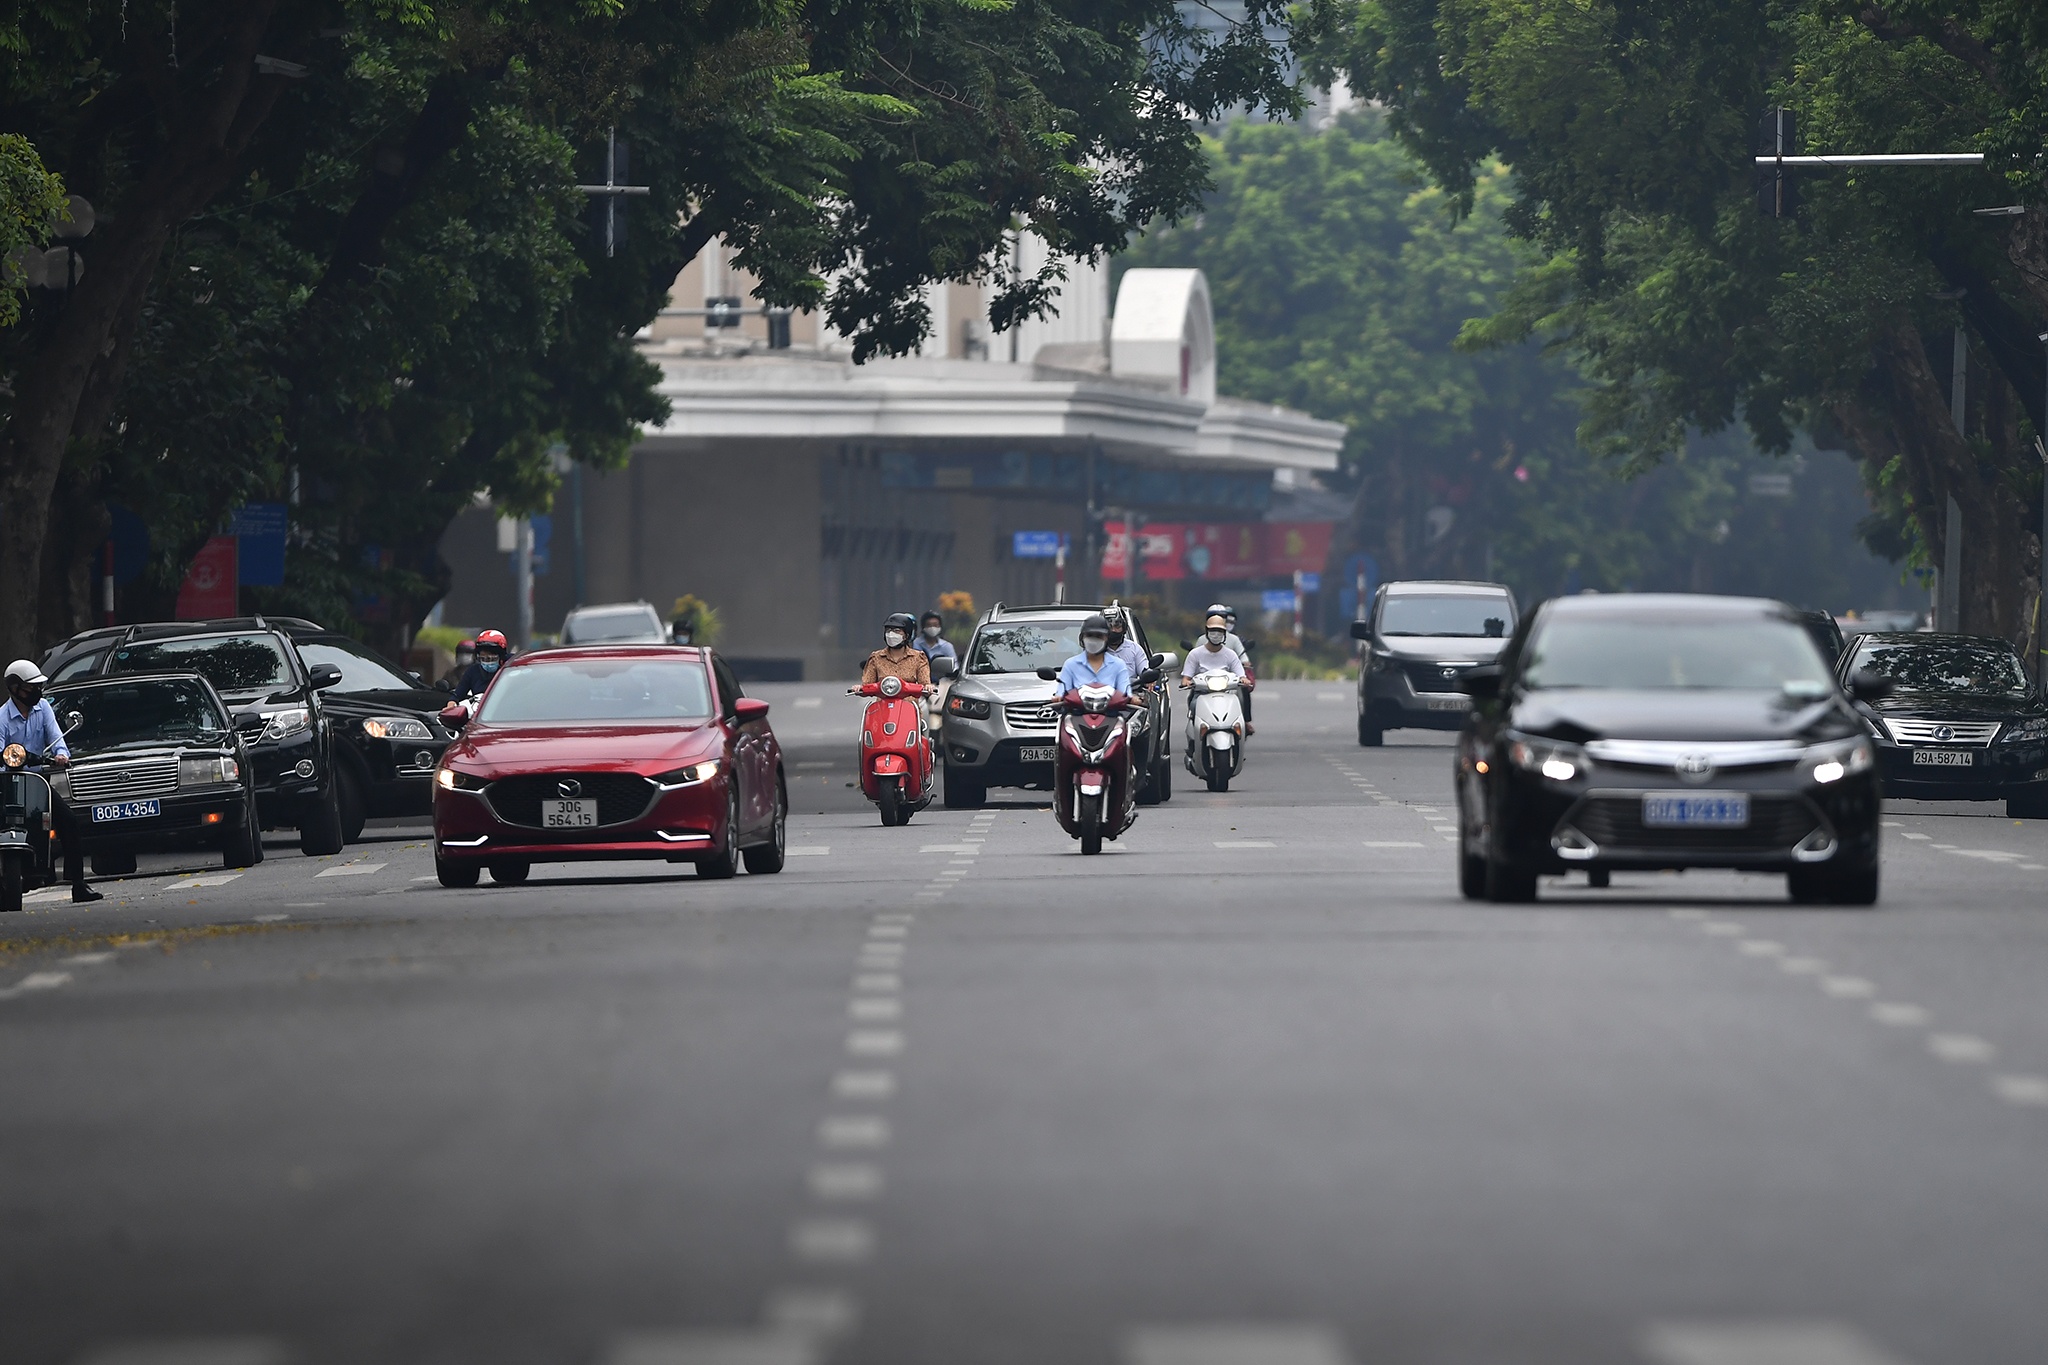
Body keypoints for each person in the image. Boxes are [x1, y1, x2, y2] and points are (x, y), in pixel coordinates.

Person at [2, 660, 100, 903]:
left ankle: (78, 884)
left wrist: (62, 755)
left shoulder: (43, 708)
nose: (36, 693)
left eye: (38, 688)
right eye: (29, 688)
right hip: (7, 786)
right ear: (14, 689)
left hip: (37, 782)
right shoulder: (2, 717)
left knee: (69, 821)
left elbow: (57, 738)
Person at [1204, 600, 1255, 728]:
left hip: (1229, 679)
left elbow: (1243, 659)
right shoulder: (1201, 640)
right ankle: (1193, 721)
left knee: (1243, 692)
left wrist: (1244, 669)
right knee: (1194, 697)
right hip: (1206, 679)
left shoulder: (1234, 640)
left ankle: (1245, 721)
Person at [1056, 613, 1133, 694]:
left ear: (1106, 637)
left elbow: (1125, 693)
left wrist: (1131, 699)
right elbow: (1062, 692)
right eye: (1090, 635)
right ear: (1082, 637)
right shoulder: (1070, 665)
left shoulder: (1118, 665)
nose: (1094, 640)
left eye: (1099, 636)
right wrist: (1058, 698)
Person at [863, 613, 932, 687]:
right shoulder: (876, 657)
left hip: (909, 698)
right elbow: (867, 685)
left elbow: (925, 684)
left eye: (897, 631)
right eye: (888, 630)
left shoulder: (918, 657)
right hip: (883, 698)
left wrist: (928, 687)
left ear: (906, 635)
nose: (891, 634)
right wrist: (859, 688)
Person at [453, 629, 509, 701]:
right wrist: (452, 704)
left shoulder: (511, 669)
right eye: (483, 658)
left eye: (491, 658)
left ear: (501, 656)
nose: (488, 663)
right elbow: (457, 695)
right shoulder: (472, 671)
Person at [1101, 603, 1149, 683]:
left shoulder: (1134, 649)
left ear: (1124, 628)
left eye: (1117, 626)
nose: (1113, 630)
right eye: (1109, 627)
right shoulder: (1094, 651)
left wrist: (1148, 680)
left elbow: (1145, 671)